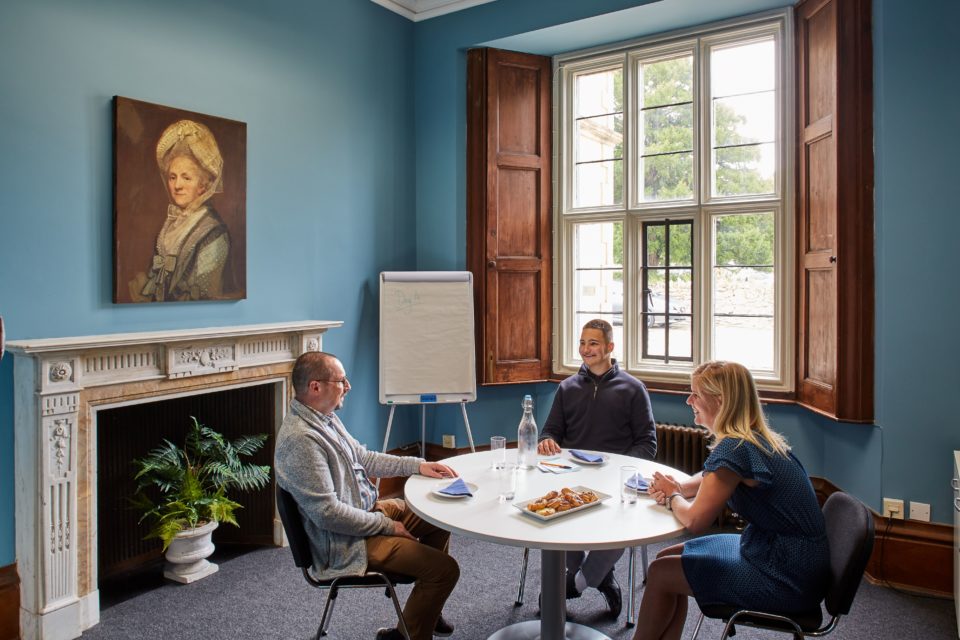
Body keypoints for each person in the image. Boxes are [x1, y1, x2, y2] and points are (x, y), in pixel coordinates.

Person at [634, 361, 830, 640]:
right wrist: (675, 487)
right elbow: (710, 478)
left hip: (786, 574)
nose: (689, 400)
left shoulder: (734, 449)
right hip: (789, 557)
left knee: (662, 572)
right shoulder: (750, 437)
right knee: (666, 560)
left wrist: (674, 495)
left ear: (720, 401)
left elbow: (695, 520)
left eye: (696, 395)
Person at [275, 351, 460, 640]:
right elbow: (328, 514)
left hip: (368, 512)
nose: (347, 386)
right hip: (347, 542)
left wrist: (418, 465)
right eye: (341, 380)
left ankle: (424, 610)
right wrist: (389, 526)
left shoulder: (325, 418)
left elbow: (363, 458)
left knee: (438, 513)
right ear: (315, 387)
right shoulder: (300, 440)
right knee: (445, 570)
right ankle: (409, 632)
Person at [537, 318, 657, 618]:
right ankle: (598, 576)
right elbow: (549, 431)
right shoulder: (567, 388)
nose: (586, 349)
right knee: (556, 516)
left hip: (614, 481)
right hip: (570, 478)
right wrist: (547, 442)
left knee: (623, 523)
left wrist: (617, 469)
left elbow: (647, 444)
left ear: (609, 348)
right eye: (582, 343)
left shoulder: (633, 389)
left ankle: (576, 583)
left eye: (593, 343)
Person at [129, 119, 230, 301]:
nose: (177, 185)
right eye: (172, 177)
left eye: (186, 178)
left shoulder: (213, 231)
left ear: (203, 185)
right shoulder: (172, 223)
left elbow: (204, 297)